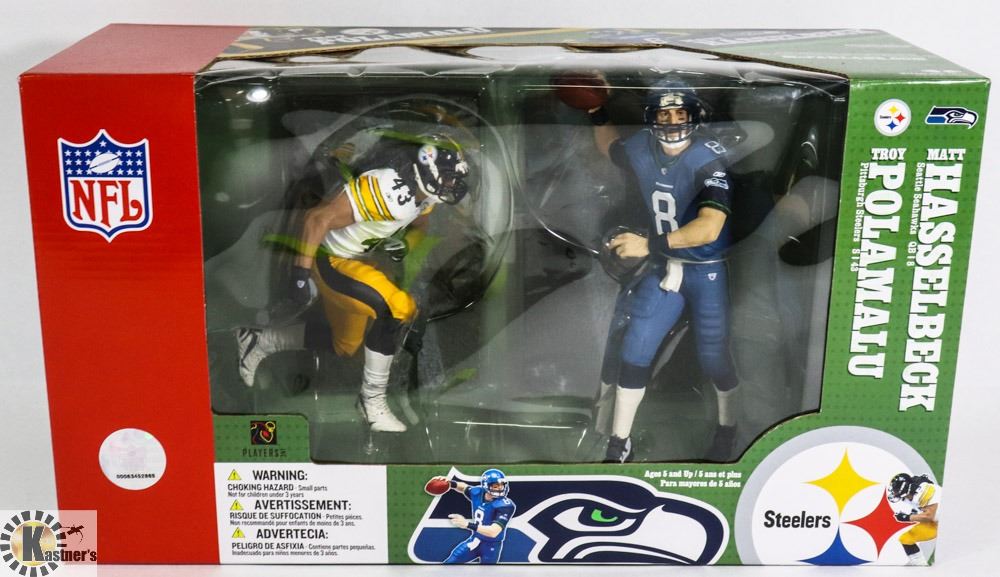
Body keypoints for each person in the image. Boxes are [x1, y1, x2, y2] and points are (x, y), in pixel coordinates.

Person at [236, 132, 471, 432]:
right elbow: (317, 219)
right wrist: (300, 274)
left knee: (345, 345)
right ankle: (371, 402)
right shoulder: (384, 187)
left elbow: (419, 223)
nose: (452, 184)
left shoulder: (421, 193)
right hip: (331, 259)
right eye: (448, 176)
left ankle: (259, 340)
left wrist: (406, 244)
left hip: (358, 260)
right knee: (397, 308)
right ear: (426, 167)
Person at [587, 78, 741, 463]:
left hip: (705, 269)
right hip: (664, 267)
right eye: (664, 114)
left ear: (693, 116)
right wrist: (596, 110)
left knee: (713, 356)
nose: (672, 122)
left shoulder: (707, 157)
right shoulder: (642, 146)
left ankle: (728, 426)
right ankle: (619, 441)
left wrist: (649, 245)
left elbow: (709, 227)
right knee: (636, 345)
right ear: (652, 117)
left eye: (679, 114)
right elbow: (612, 149)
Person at [431, 468, 515, 564]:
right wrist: (450, 483)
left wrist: (467, 524)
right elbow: (463, 487)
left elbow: (493, 532)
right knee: (451, 562)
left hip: (491, 546)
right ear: (486, 485)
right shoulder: (478, 492)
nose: (500, 488)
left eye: (502, 485)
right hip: (475, 540)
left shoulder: (505, 505)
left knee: (488, 571)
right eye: (496, 486)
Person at [887, 472, 940, 566]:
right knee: (906, 539)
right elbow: (924, 510)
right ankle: (919, 563)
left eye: (896, 489)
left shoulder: (923, 491)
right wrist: (914, 513)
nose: (894, 492)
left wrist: (907, 517)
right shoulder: (909, 495)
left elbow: (929, 516)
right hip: (935, 522)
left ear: (903, 487)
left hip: (948, 523)